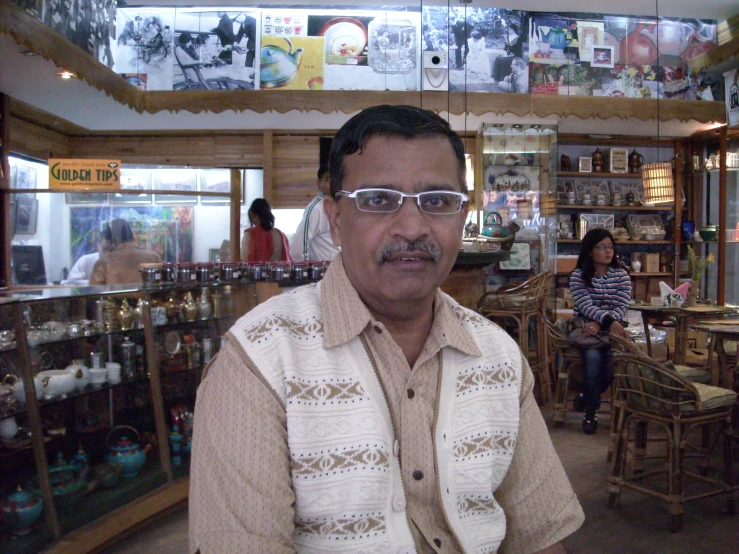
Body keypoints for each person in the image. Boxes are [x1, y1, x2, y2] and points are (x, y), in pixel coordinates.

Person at [190, 105, 584, 553]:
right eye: (378, 200)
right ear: (337, 221)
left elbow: (540, 536)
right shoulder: (259, 362)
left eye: (437, 201)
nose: (413, 226)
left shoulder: (497, 355)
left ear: (462, 216)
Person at [569, 228, 631, 435]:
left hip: (612, 331)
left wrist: (603, 323)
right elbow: (585, 305)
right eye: (601, 247)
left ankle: (586, 399)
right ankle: (591, 413)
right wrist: (603, 321)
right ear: (589, 251)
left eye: (610, 247)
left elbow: (621, 306)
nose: (608, 251)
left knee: (614, 363)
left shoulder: (622, 275)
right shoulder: (578, 276)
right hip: (587, 330)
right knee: (593, 358)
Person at [89, 219, 161, 285]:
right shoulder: (154, 258)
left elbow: (94, 292)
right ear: (132, 236)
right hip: (150, 299)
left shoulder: (103, 262)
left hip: (114, 298)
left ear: (112, 241)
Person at [289, 167, 340, 262]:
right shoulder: (315, 208)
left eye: (335, 178)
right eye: (328, 179)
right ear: (319, 183)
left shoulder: (342, 204)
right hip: (322, 271)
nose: (333, 183)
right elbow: (299, 245)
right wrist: (307, 271)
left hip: (340, 269)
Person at [240, 198, 291, 263]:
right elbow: (285, 259)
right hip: (276, 272)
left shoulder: (250, 234)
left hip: (256, 272)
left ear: (253, 215)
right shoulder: (280, 235)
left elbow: (245, 259)